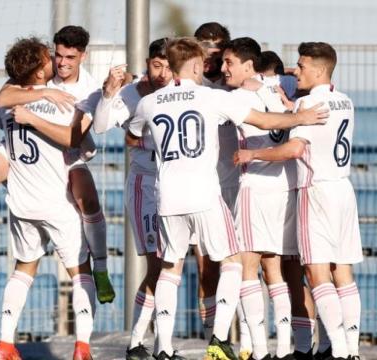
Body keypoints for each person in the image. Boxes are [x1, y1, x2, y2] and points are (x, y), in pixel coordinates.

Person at [128, 37, 329, 360]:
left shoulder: (149, 103)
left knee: (170, 268)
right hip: (205, 194)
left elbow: (133, 135)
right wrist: (299, 119)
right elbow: (263, 121)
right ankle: (220, 337)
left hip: (167, 196)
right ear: (195, 65)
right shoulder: (210, 98)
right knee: (233, 262)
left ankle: (163, 347)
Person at [0, 25, 116, 304]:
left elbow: (74, 139)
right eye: (57, 55)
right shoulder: (38, 74)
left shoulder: (88, 89)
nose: (61, 63)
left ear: (83, 57)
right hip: (22, 152)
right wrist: (44, 94)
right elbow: (3, 97)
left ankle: (100, 268)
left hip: (64, 154)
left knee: (86, 195)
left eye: (69, 58)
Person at [234, 42, 363, 360]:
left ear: (318, 70)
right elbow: (310, 105)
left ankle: (339, 350)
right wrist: (288, 97)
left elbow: (293, 150)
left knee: (317, 272)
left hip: (315, 189)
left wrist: (253, 153)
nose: (296, 70)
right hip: (343, 189)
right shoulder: (343, 100)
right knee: (342, 272)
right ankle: (352, 349)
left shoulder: (310, 103)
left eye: (302, 66)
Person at [0, 37, 97, 360]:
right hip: (55, 202)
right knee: (81, 272)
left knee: (23, 270)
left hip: (21, 203)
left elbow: (3, 96)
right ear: (39, 72)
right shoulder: (59, 103)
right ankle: (82, 347)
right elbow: (73, 138)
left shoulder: (8, 107)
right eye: (46, 58)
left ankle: (5, 344)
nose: (54, 60)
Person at [221, 37, 317, 360]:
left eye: (229, 63)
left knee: (247, 266)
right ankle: (286, 348)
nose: (223, 70)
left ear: (249, 65)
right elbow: (286, 75)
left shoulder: (238, 96)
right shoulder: (285, 88)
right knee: (274, 269)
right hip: (285, 188)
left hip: (256, 185)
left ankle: (259, 351)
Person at [91, 38, 173, 360]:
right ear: (147, 63)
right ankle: (140, 342)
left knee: (171, 265)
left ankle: (154, 344)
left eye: (168, 66)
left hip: (176, 187)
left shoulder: (180, 91)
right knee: (158, 265)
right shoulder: (131, 93)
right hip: (146, 186)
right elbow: (99, 126)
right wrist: (109, 93)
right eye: (157, 65)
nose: (163, 72)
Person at [193, 21, 234, 343]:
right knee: (206, 266)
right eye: (203, 50)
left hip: (238, 185)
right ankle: (213, 340)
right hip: (203, 186)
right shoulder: (191, 85)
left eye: (216, 52)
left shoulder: (237, 85)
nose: (209, 58)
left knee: (243, 264)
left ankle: (243, 338)